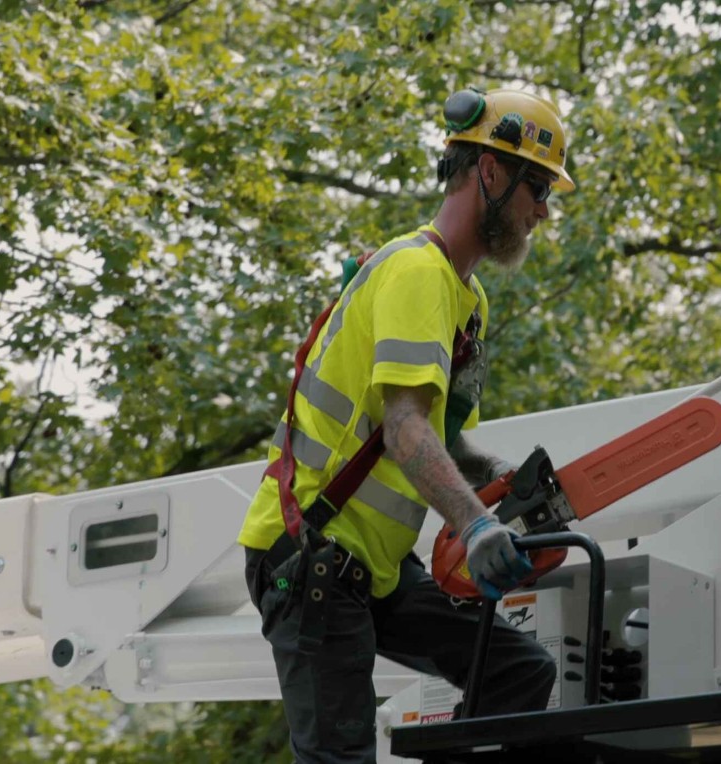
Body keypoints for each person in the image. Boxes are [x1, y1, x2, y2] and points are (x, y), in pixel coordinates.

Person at [237, 87, 574, 762]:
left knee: (520, 670)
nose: (542, 210)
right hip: (313, 557)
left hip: (376, 569)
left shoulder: (465, 298)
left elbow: (440, 442)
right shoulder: (417, 272)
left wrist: (500, 483)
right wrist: (476, 527)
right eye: (537, 187)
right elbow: (404, 431)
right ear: (489, 171)